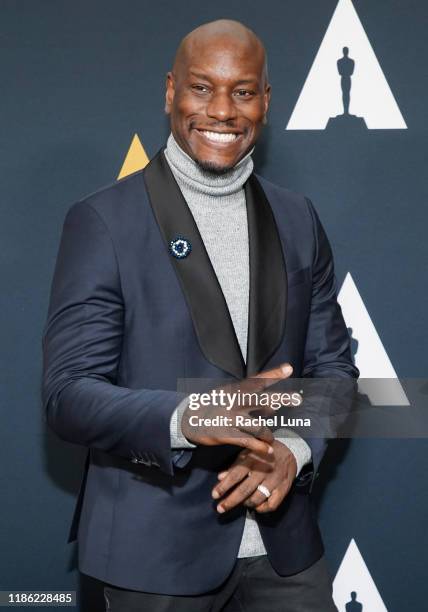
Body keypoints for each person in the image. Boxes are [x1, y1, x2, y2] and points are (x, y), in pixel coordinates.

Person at [42, 18, 358, 612]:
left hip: (285, 550)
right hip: (152, 555)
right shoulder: (104, 221)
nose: (222, 110)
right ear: (170, 92)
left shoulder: (298, 218)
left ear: (265, 100)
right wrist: (187, 416)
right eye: (201, 88)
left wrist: (294, 447)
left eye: (242, 91)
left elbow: (335, 371)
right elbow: (68, 394)